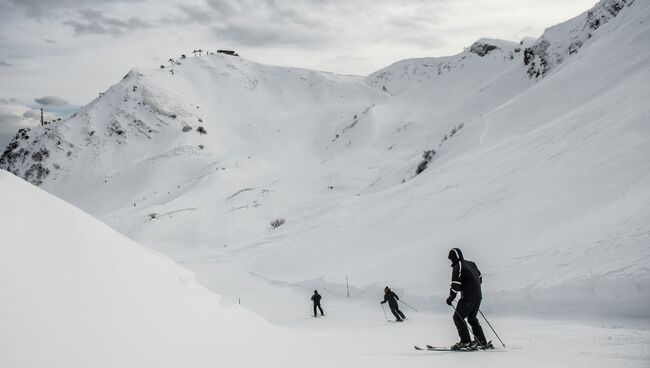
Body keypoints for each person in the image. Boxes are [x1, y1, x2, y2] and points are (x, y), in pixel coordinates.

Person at [446, 248, 490, 350]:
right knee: (472, 318)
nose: (451, 261)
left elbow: (455, 283)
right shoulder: (471, 264)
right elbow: (479, 278)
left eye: (451, 259)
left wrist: (451, 298)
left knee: (458, 317)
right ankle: (481, 341)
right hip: (478, 296)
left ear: (454, 258)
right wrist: (472, 288)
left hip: (468, 297)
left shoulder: (458, 266)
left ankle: (465, 342)